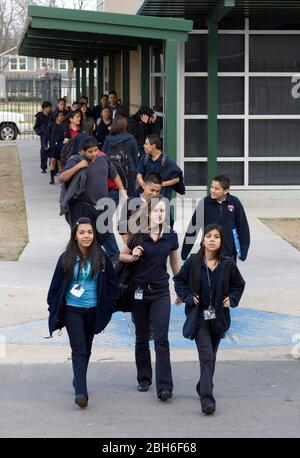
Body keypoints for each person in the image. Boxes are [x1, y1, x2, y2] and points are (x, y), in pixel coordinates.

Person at [47, 217, 119, 408]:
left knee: (86, 349)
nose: (86, 236)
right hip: (73, 311)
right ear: (75, 236)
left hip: (94, 310)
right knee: (79, 349)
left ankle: (78, 380)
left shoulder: (102, 257)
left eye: (89, 232)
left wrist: (109, 307)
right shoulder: (66, 258)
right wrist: (53, 308)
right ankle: (81, 392)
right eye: (82, 233)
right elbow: (54, 288)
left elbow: (113, 285)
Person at [174, 224, 245, 415]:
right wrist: (187, 296)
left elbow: (239, 285)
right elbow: (179, 281)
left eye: (216, 237)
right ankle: (207, 399)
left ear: (221, 241)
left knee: (211, 356)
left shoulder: (228, 264)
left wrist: (233, 298)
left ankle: (201, 385)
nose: (212, 239)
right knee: (206, 357)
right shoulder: (193, 262)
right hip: (199, 317)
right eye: (208, 236)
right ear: (203, 240)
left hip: (219, 318)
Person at [119, 197, 180, 401]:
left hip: (161, 292)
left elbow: (174, 264)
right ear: (148, 214)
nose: (160, 214)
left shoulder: (171, 236)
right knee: (142, 338)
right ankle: (144, 378)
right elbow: (122, 256)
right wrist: (134, 255)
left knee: (161, 338)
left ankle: (165, 386)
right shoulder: (138, 235)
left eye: (163, 211)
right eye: (157, 211)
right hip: (139, 292)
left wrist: (179, 289)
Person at [59, 136, 126, 246]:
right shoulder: (76, 160)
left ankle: (109, 258)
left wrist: (122, 191)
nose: (94, 153)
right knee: (82, 236)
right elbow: (62, 178)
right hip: (82, 207)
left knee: (103, 234)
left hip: (101, 207)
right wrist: (78, 166)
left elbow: (114, 175)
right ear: (82, 151)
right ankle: (79, 258)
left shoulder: (104, 159)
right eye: (90, 151)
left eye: (96, 150)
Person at [181, 175, 250, 262]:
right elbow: (193, 227)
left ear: (226, 191)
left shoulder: (235, 202)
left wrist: (243, 252)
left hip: (229, 253)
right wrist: (185, 252)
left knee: (227, 275)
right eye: (212, 187)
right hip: (208, 252)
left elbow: (243, 228)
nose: (212, 190)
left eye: (217, 188)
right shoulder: (205, 203)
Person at [118, 172, 162, 243]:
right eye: (152, 190)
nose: (154, 194)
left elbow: (169, 225)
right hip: (135, 245)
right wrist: (128, 246)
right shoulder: (130, 202)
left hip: (156, 246)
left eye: (158, 191)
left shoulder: (162, 204)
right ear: (144, 185)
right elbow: (122, 226)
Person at [136, 134, 182, 201]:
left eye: (146, 144)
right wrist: (143, 185)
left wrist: (159, 185)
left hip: (160, 197)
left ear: (153, 146)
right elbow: (138, 174)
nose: (144, 146)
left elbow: (176, 179)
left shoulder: (166, 161)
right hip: (146, 196)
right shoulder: (144, 158)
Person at [102, 115, 139, 198]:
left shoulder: (108, 139)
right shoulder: (131, 139)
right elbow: (135, 157)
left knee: (112, 196)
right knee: (129, 198)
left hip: (111, 170)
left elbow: (103, 155)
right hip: (128, 170)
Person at [43, 111, 68, 184]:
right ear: (56, 117)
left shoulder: (64, 125)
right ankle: (52, 179)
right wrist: (45, 144)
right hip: (53, 146)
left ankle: (61, 178)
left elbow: (66, 135)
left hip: (61, 146)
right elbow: (46, 135)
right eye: (60, 115)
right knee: (52, 161)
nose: (62, 117)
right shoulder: (51, 124)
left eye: (63, 115)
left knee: (60, 163)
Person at [33, 101, 52, 173]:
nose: (50, 109)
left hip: (52, 135)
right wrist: (40, 132)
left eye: (50, 107)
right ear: (44, 108)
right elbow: (36, 127)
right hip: (44, 136)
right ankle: (43, 167)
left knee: (53, 150)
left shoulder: (52, 115)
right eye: (49, 107)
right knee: (44, 150)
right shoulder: (39, 116)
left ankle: (53, 167)